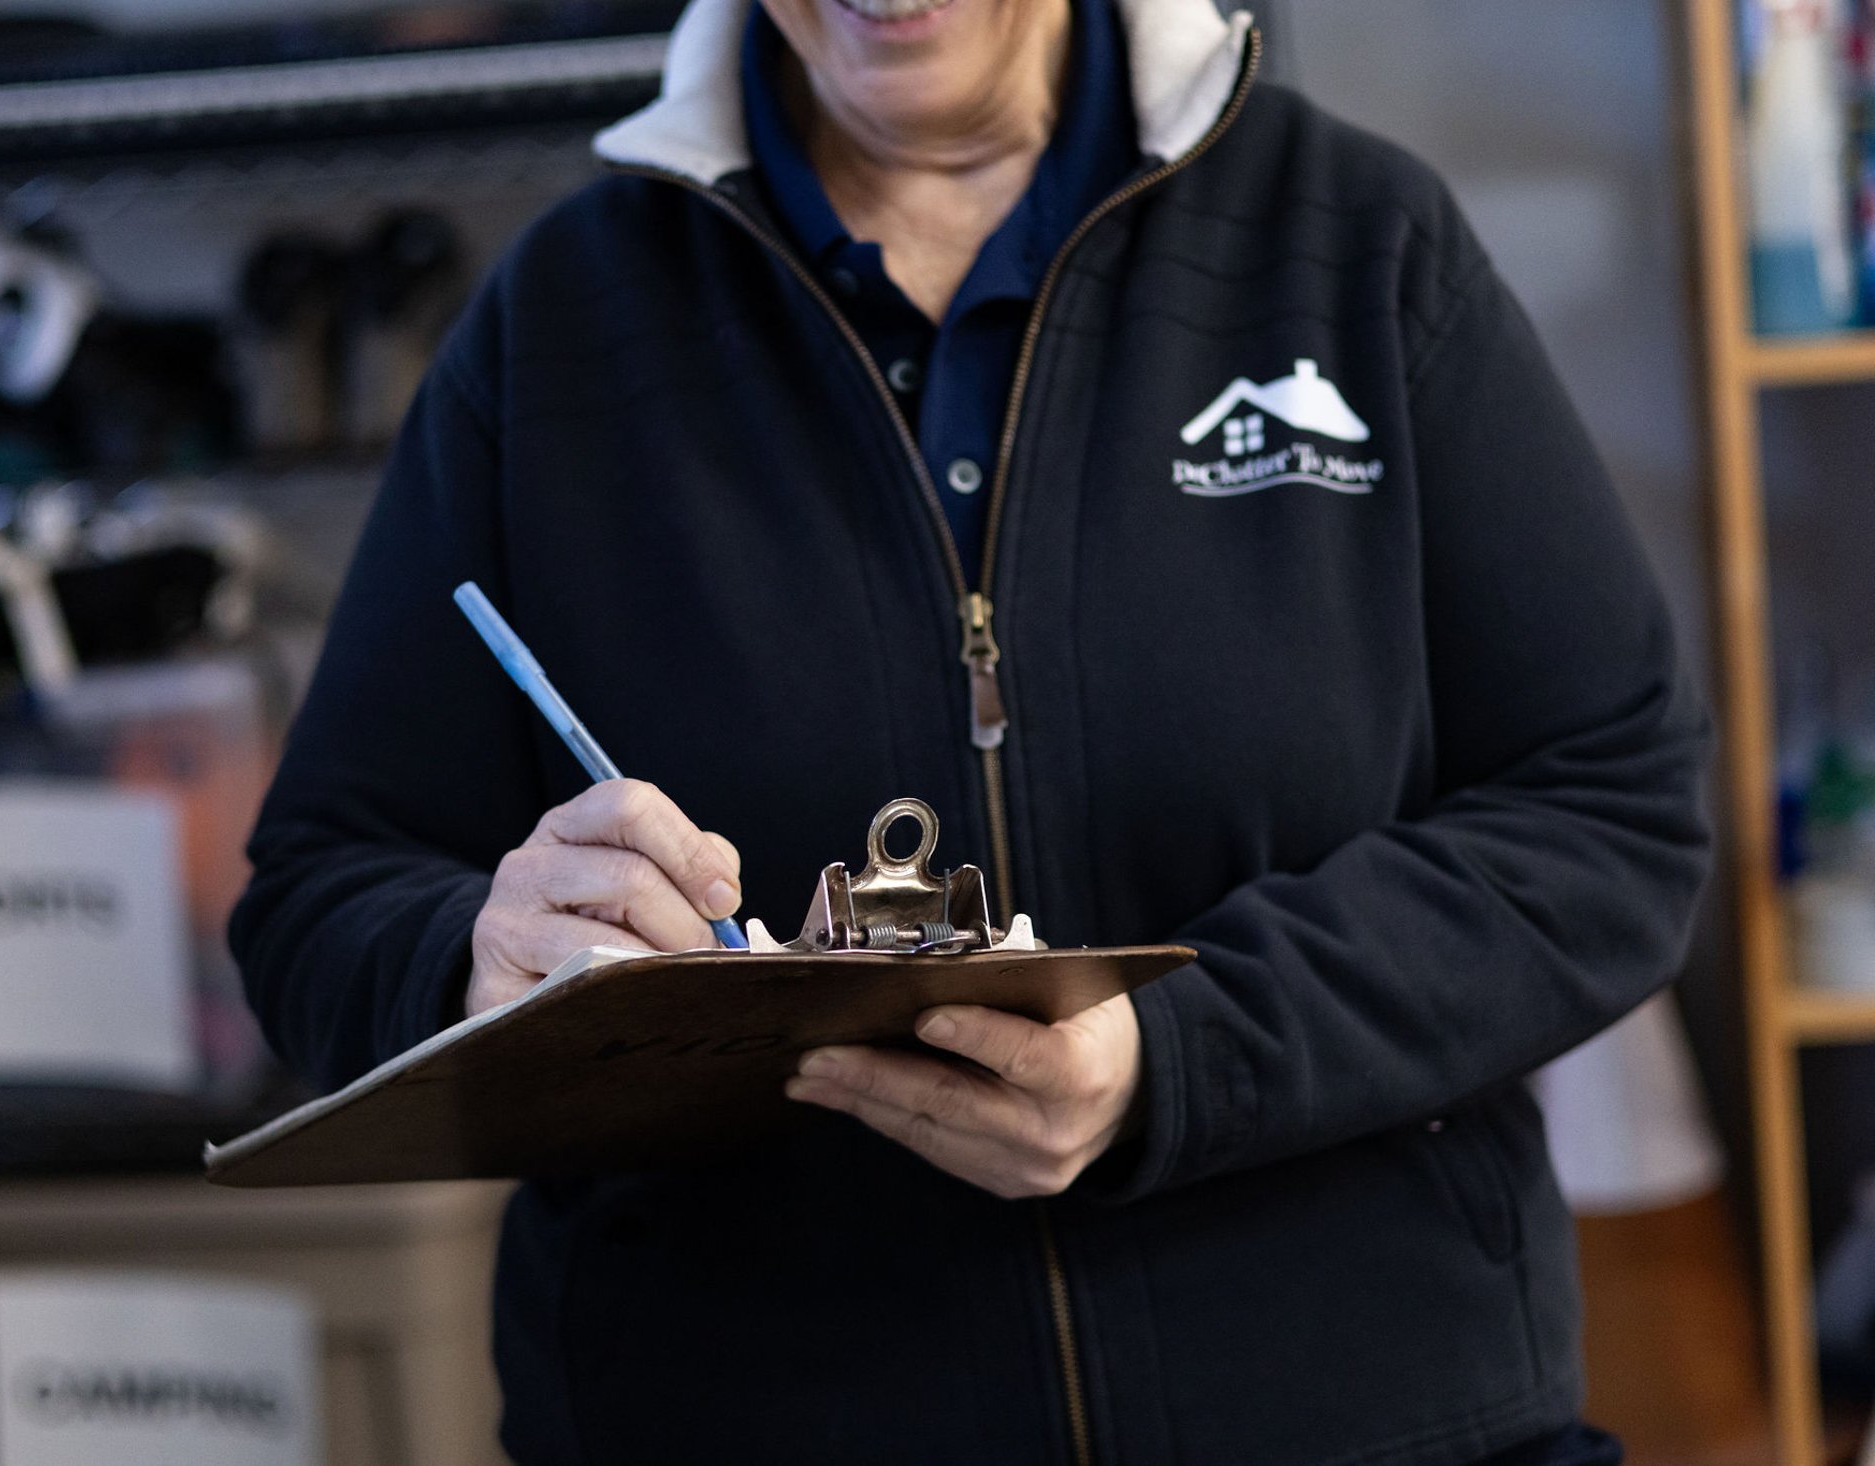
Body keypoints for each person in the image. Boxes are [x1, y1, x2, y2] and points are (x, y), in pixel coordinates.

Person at [229, 0, 1711, 1458]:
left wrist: (1178, 1060)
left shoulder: (1354, 249)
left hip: (1372, 1413)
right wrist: (479, 957)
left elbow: (1611, 807)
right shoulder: (560, 327)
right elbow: (315, 890)